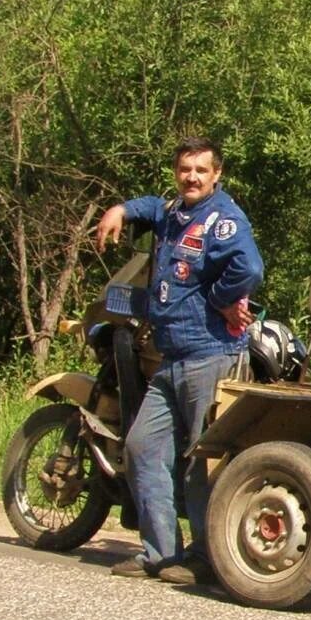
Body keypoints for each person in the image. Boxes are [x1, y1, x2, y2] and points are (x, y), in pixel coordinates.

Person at [94, 135, 263, 584]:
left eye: (201, 170)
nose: (192, 177)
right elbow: (152, 206)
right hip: (171, 357)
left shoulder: (223, 219)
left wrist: (221, 298)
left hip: (210, 355)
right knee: (142, 446)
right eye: (185, 169)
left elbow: (249, 269)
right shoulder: (174, 212)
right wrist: (121, 210)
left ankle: (207, 558)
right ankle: (161, 553)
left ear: (217, 174)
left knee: (201, 461)